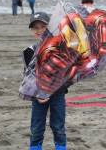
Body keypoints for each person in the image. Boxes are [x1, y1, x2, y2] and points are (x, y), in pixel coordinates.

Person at [24, 12, 67, 150]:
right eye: (35, 27)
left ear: (50, 28)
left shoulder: (60, 48)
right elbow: (28, 77)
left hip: (57, 93)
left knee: (58, 127)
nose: (39, 30)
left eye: (43, 26)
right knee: (36, 129)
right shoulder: (29, 51)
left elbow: (64, 73)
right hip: (37, 96)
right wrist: (39, 93)